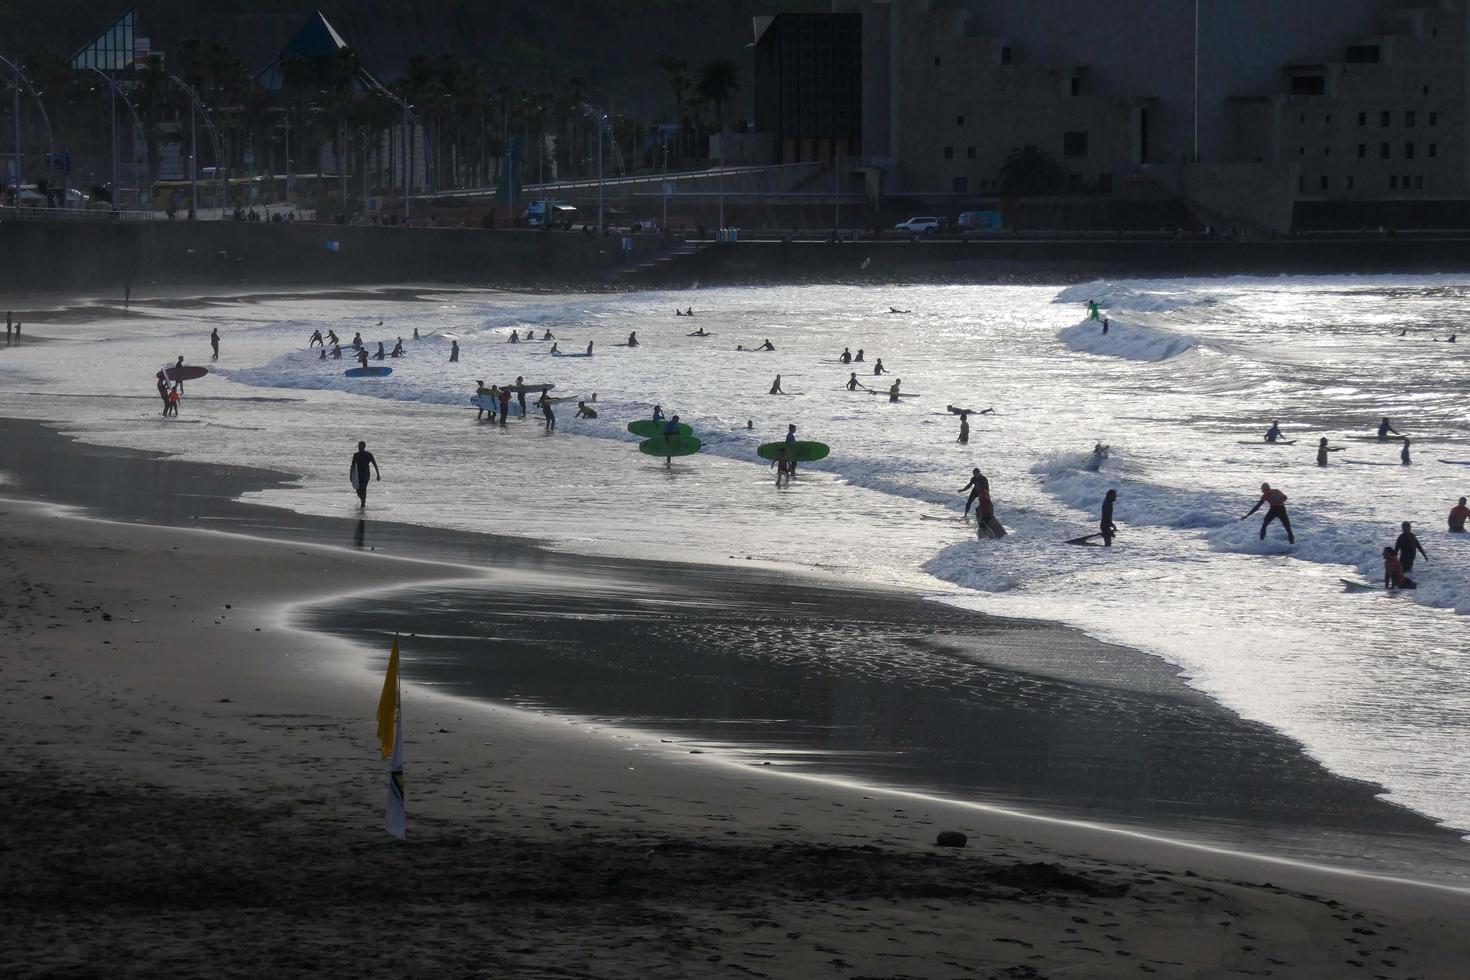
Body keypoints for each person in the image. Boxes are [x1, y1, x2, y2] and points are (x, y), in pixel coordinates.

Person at [350, 440, 380, 508]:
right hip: (358, 475)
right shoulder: (356, 455)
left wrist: (378, 474)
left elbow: (374, 464)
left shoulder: (368, 455)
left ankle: (363, 502)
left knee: (363, 488)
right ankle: (363, 500)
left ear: (364, 447)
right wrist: (351, 475)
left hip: (366, 474)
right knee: (358, 489)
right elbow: (352, 465)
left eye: (361, 446)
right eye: (358, 446)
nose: (359, 448)